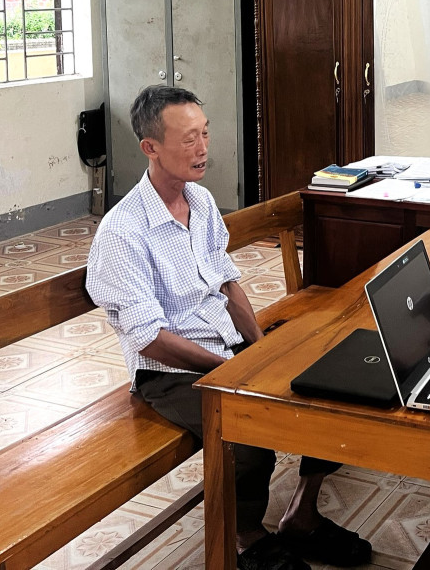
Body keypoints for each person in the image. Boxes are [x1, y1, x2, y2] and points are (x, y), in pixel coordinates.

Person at [86, 86, 371, 570]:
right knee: (247, 433)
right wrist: (231, 369)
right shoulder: (123, 231)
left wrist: (261, 351)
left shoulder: (199, 200)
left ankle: (302, 515)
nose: (202, 149)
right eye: (188, 139)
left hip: (229, 348)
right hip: (169, 372)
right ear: (150, 147)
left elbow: (227, 283)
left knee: (335, 382)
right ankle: (245, 539)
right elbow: (149, 338)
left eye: (205, 134)